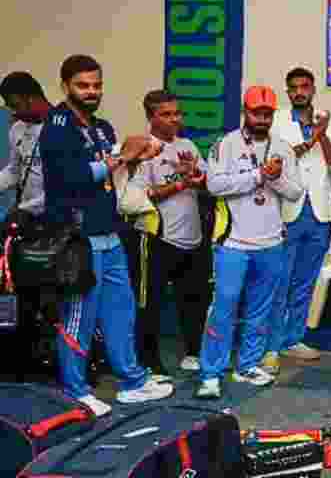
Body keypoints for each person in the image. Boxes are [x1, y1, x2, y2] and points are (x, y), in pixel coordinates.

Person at [40, 55, 174, 416]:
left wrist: (135, 157)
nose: (92, 92)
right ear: (66, 85)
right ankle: (75, 390)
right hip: (77, 235)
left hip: (109, 230)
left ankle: (131, 381)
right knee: (79, 317)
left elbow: (110, 175)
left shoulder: (102, 126)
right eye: (83, 85)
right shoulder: (56, 125)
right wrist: (121, 158)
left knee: (121, 311)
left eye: (97, 85)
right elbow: (71, 177)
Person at [196, 85, 304, 399]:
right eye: (257, 113)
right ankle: (211, 374)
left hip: (271, 243)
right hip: (233, 243)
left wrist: (276, 177)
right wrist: (259, 175)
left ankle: (247, 366)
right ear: (245, 111)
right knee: (223, 309)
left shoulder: (282, 146)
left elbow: (296, 192)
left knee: (261, 310)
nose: (262, 119)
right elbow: (214, 185)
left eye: (267, 114)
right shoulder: (226, 144)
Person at [263, 67, 331, 375]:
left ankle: (292, 338)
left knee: (305, 282)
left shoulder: (328, 119)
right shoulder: (278, 121)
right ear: (288, 92)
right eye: (294, 87)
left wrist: (321, 136)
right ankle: (270, 346)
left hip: (321, 212)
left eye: (305, 86)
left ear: (313, 89)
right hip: (287, 210)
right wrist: (311, 140)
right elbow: (275, 163)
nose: (299, 92)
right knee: (279, 281)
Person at [126, 90, 211, 376]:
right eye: (167, 114)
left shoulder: (187, 145)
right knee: (150, 304)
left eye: (178, 113)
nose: (175, 119)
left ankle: (193, 352)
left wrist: (196, 177)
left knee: (195, 299)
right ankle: (150, 363)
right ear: (151, 117)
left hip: (192, 236)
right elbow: (137, 198)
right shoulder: (143, 150)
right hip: (157, 238)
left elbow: (208, 183)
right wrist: (179, 185)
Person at [0, 71, 55, 378]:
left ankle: (49, 358)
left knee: (49, 293)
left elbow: (62, 185)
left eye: (14, 104)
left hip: (54, 222)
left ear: (29, 97)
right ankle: (22, 355)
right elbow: (13, 171)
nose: (12, 111)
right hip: (25, 218)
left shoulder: (61, 128)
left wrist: (27, 209)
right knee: (19, 290)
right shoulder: (17, 129)